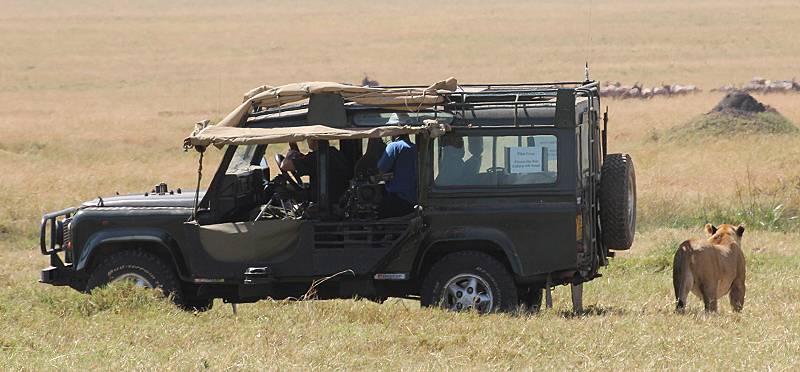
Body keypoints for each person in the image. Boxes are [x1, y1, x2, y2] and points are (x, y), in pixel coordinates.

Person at [280, 139, 351, 204]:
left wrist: (289, 154)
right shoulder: (333, 152)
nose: (307, 140)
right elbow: (303, 161)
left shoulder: (315, 158)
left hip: (322, 202)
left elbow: (284, 166)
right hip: (334, 198)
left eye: (308, 138)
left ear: (313, 140)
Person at [377, 135, 417, 218]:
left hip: (399, 199)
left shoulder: (394, 146)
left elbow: (381, 168)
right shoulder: (415, 148)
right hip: (415, 200)